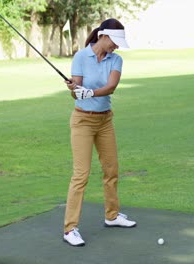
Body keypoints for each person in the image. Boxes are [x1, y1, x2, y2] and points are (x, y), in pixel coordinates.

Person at [63, 18, 136, 247]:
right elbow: (77, 93)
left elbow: (111, 87)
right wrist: (75, 90)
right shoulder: (80, 57)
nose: (116, 46)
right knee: (81, 175)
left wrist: (90, 93)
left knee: (111, 169)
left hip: (105, 120)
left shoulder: (116, 60)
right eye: (114, 41)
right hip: (83, 121)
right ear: (103, 36)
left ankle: (112, 215)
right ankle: (70, 228)